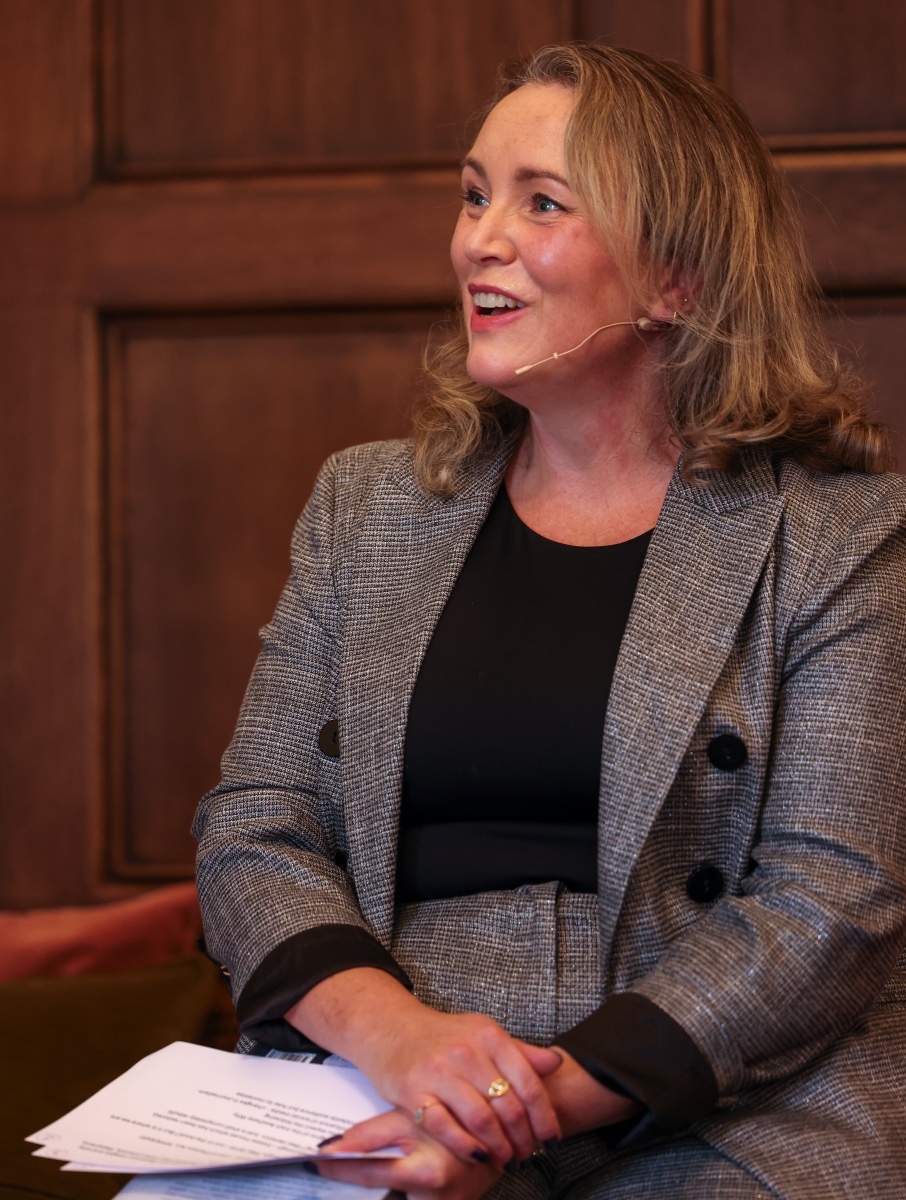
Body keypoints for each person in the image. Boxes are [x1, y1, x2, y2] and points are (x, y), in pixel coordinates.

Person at [193, 42, 906, 1200]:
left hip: (718, 1104)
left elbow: (833, 901)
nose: (479, 238)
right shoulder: (363, 507)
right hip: (378, 1078)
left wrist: (505, 1114)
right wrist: (400, 1044)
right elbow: (254, 826)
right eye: (475, 194)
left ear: (676, 279)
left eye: (542, 203)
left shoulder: (840, 536)